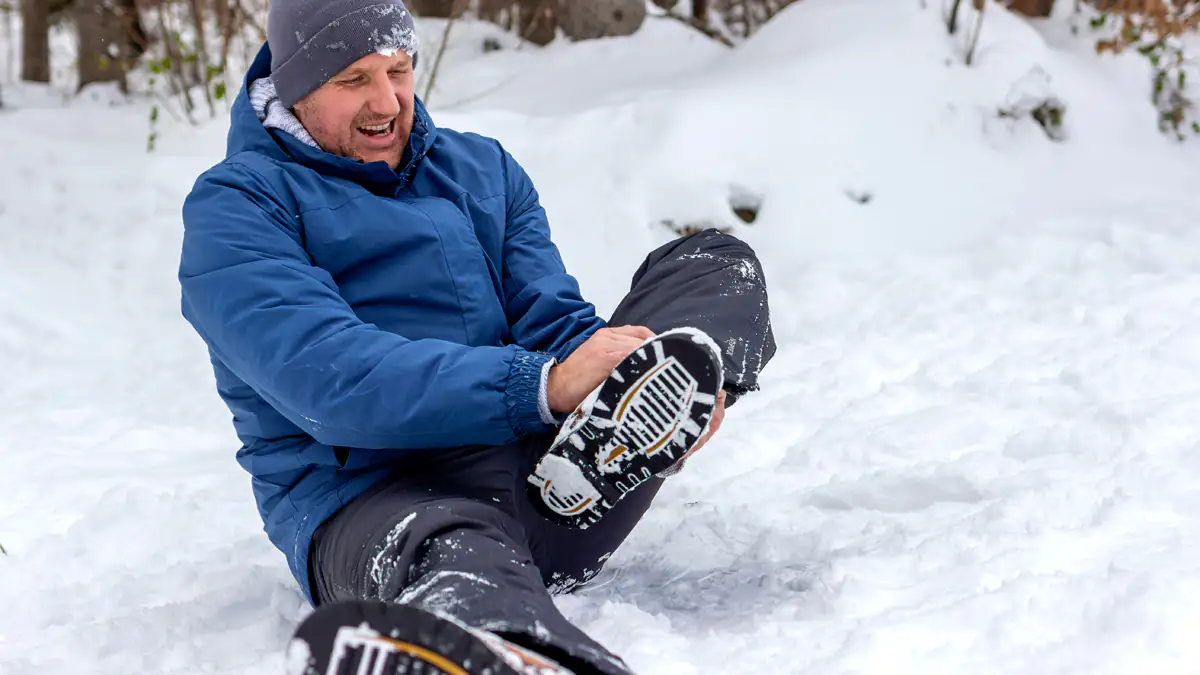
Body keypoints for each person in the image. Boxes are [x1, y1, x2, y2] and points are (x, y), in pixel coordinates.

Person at [178, 1, 775, 673]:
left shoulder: (482, 170)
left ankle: (614, 440)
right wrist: (540, 386)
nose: (386, 102)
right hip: (380, 505)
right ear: (295, 84)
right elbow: (332, 380)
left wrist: (635, 371)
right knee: (454, 551)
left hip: (561, 484)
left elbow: (555, 322)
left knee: (713, 267)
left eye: (399, 71)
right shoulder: (238, 209)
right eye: (353, 80)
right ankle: (512, 654)